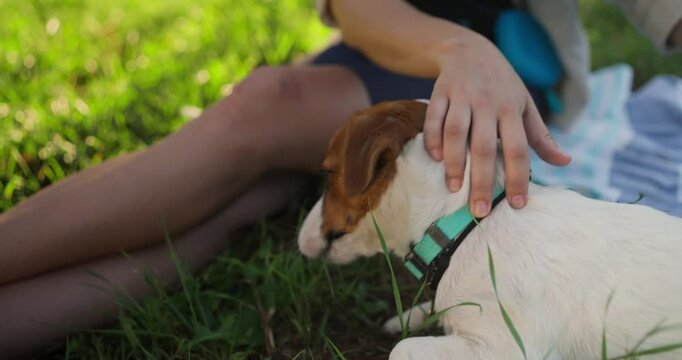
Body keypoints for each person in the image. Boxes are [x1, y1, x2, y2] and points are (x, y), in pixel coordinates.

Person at [1, 0, 680, 355]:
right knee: (256, 136)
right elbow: (361, 7)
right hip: (400, 53)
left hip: (505, 80)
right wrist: (458, 48)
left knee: (239, 198)